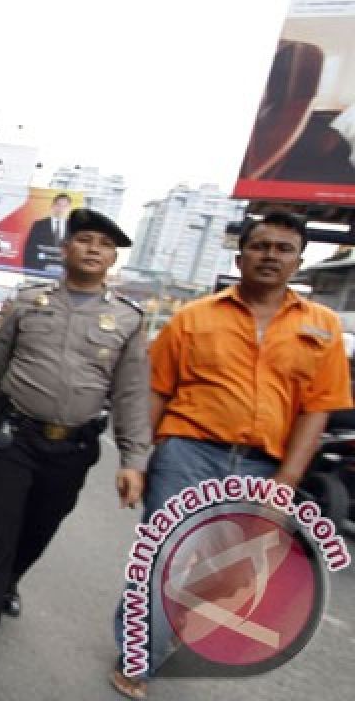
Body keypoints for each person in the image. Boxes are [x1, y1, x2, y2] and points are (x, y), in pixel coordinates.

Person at [109, 210, 353, 700]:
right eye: (261, 246)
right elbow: (155, 392)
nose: (271, 256)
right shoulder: (193, 318)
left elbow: (316, 413)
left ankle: (144, 627)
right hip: (187, 452)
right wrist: (135, 460)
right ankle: (139, 655)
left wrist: (284, 484)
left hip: (263, 467)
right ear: (241, 256)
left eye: (284, 249)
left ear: (299, 260)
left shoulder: (322, 328)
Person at [0, 208, 151, 674]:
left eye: (104, 244)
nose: (94, 249)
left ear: (113, 259)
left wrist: (134, 460)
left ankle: (10, 580)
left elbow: (132, 394)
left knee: (37, 531)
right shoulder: (28, 303)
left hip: (72, 450)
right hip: (13, 438)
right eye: (85, 240)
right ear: (65, 249)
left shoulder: (128, 320)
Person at [22, 193, 72, 272]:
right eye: (58, 205)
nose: (61, 208)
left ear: (69, 208)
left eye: (65, 206)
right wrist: (29, 271)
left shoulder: (73, 229)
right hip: (40, 271)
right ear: (52, 206)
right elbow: (29, 250)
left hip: (64, 274)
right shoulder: (39, 225)